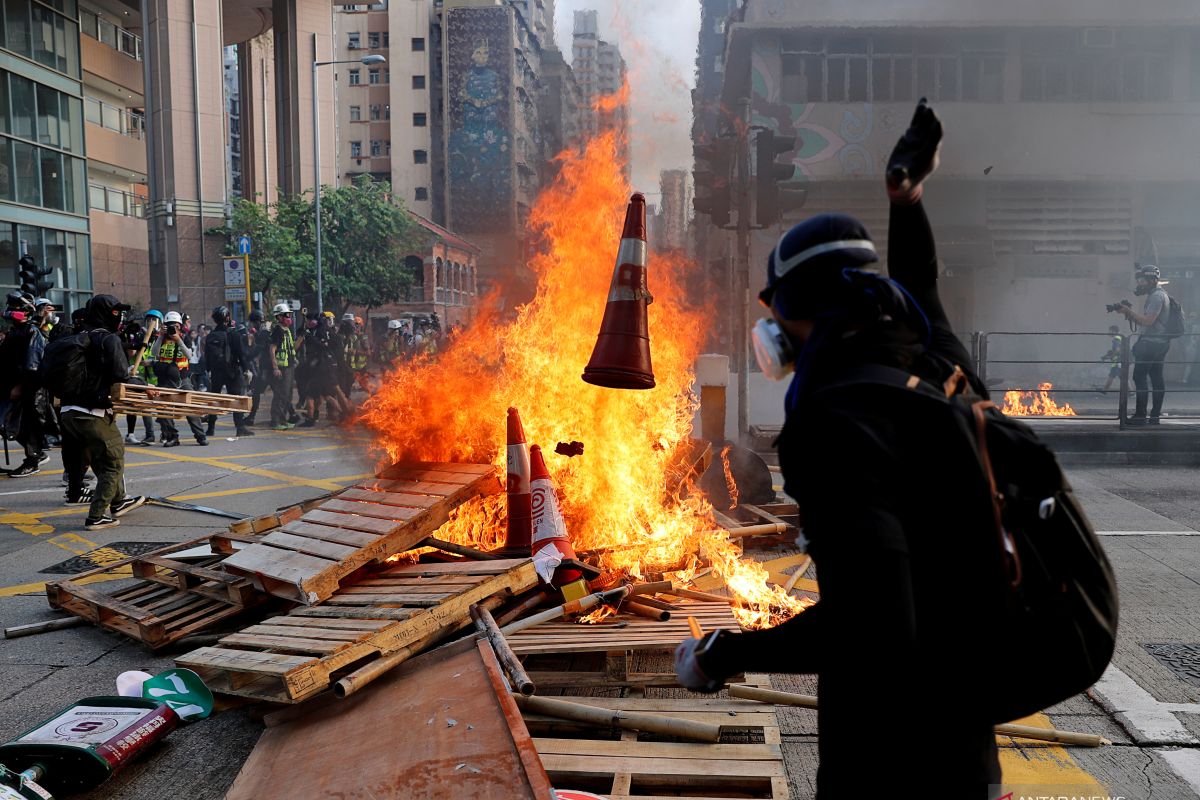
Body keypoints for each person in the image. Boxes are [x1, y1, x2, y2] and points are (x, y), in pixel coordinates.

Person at [673, 101, 1003, 796]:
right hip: (966, 740)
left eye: (777, 312)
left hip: (885, 755)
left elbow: (874, 624)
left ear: (804, 312)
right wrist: (906, 198)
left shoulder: (833, 426)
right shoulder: (936, 363)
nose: (773, 332)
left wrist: (725, 654)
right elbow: (919, 288)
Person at [57, 294, 145, 529]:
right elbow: (120, 376)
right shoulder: (109, 339)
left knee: (100, 457)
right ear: (106, 314)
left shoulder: (78, 336)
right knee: (113, 462)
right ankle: (97, 515)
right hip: (91, 412)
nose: (120, 317)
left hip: (68, 412)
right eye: (116, 313)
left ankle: (118, 501)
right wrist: (143, 387)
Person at [1117, 264, 1172, 425]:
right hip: (1160, 343)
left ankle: (1140, 416)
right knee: (1156, 378)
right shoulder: (1160, 295)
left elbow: (1148, 321)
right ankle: (1154, 417)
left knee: (1139, 376)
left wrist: (1128, 312)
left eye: (1142, 280)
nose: (1139, 283)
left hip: (1151, 344)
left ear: (1152, 280)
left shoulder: (1156, 296)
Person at [0, 292, 46, 476]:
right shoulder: (14, 332)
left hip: (28, 390)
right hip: (9, 388)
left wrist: (20, 387)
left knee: (24, 426)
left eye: (16, 309)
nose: (12, 312)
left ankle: (33, 459)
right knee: (7, 425)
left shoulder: (32, 332)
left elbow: (33, 365)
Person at [151, 311, 208, 446]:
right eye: (169, 325)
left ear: (180, 326)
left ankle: (201, 436)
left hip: (182, 379)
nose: (173, 329)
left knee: (190, 407)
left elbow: (189, 355)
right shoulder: (162, 338)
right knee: (164, 409)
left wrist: (178, 340)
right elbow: (154, 353)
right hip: (165, 379)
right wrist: (161, 336)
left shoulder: (185, 337)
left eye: (175, 326)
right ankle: (172, 437)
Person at [203, 306, 254, 438]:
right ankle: (240, 428)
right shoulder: (234, 334)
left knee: (214, 399)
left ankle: (210, 428)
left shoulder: (211, 336)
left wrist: (208, 371)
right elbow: (241, 354)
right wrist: (246, 369)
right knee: (236, 399)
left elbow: (207, 356)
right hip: (232, 371)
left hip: (216, 373)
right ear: (227, 317)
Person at [268, 303, 297, 431]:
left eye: (289, 315)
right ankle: (275, 421)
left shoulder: (287, 331)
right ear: (279, 317)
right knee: (281, 395)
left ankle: (283, 420)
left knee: (288, 395)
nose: (289, 317)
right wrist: (275, 368)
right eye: (286, 315)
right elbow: (272, 349)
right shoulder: (278, 331)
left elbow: (292, 348)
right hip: (282, 368)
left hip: (289, 367)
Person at [1099, 325, 1124, 394]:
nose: (1108, 332)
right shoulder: (1120, 337)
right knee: (1122, 376)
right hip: (1120, 360)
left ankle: (1105, 390)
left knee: (1112, 375)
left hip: (1117, 361)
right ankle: (1131, 392)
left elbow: (1117, 350)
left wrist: (1110, 357)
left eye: (1110, 331)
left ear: (1114, 331)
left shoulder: (1116, 339)